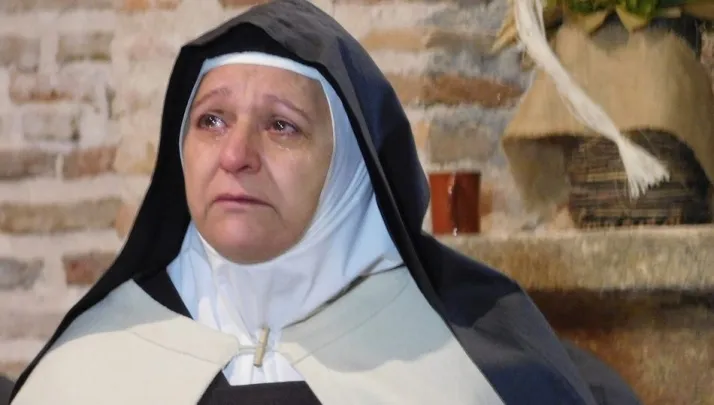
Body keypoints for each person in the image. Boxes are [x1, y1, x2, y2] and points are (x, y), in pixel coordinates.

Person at [8, 1, 642, 404]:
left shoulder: (471, 373)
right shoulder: (85, 369)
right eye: (211, 121)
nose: (236, 155)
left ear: (350, 172)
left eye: (282, 126)